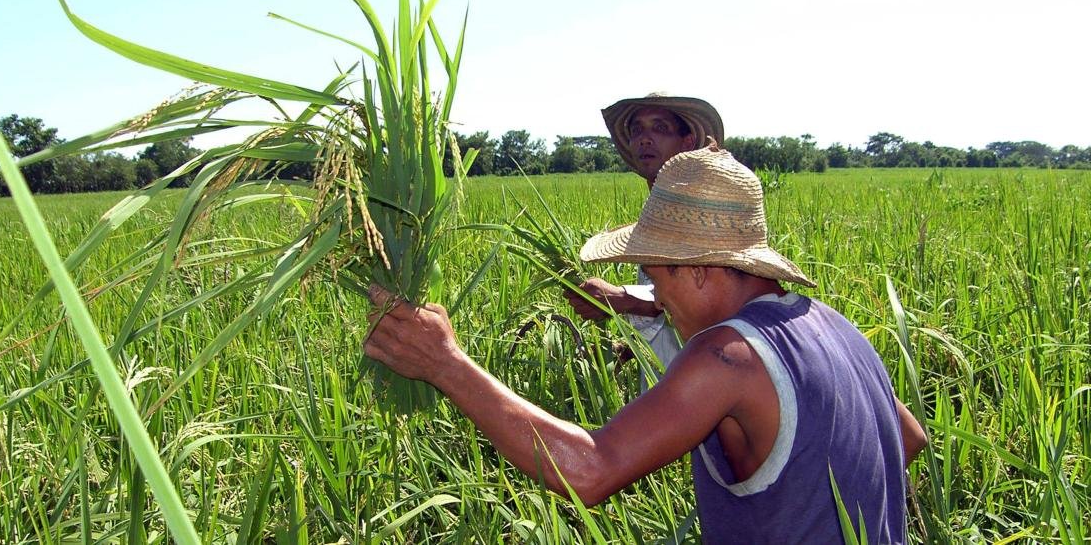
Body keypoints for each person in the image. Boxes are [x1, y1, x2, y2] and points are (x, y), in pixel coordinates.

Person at [364, 144, 927, 542]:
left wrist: (447, 364)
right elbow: (907, 437)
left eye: (656, 279)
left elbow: (589, 471)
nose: (656, 297)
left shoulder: (727, 356)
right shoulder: (831, 324)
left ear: (700, 271)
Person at [564, 92, 724, 389]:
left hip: (703, 394)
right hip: (667, 395)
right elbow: (666, 310)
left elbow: (696, 296)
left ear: (687, 143)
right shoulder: (656, 213)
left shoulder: (701, 212)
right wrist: (626, 351)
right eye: (637, 130)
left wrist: (621, 298)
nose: (644, 139)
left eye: (660, 128)